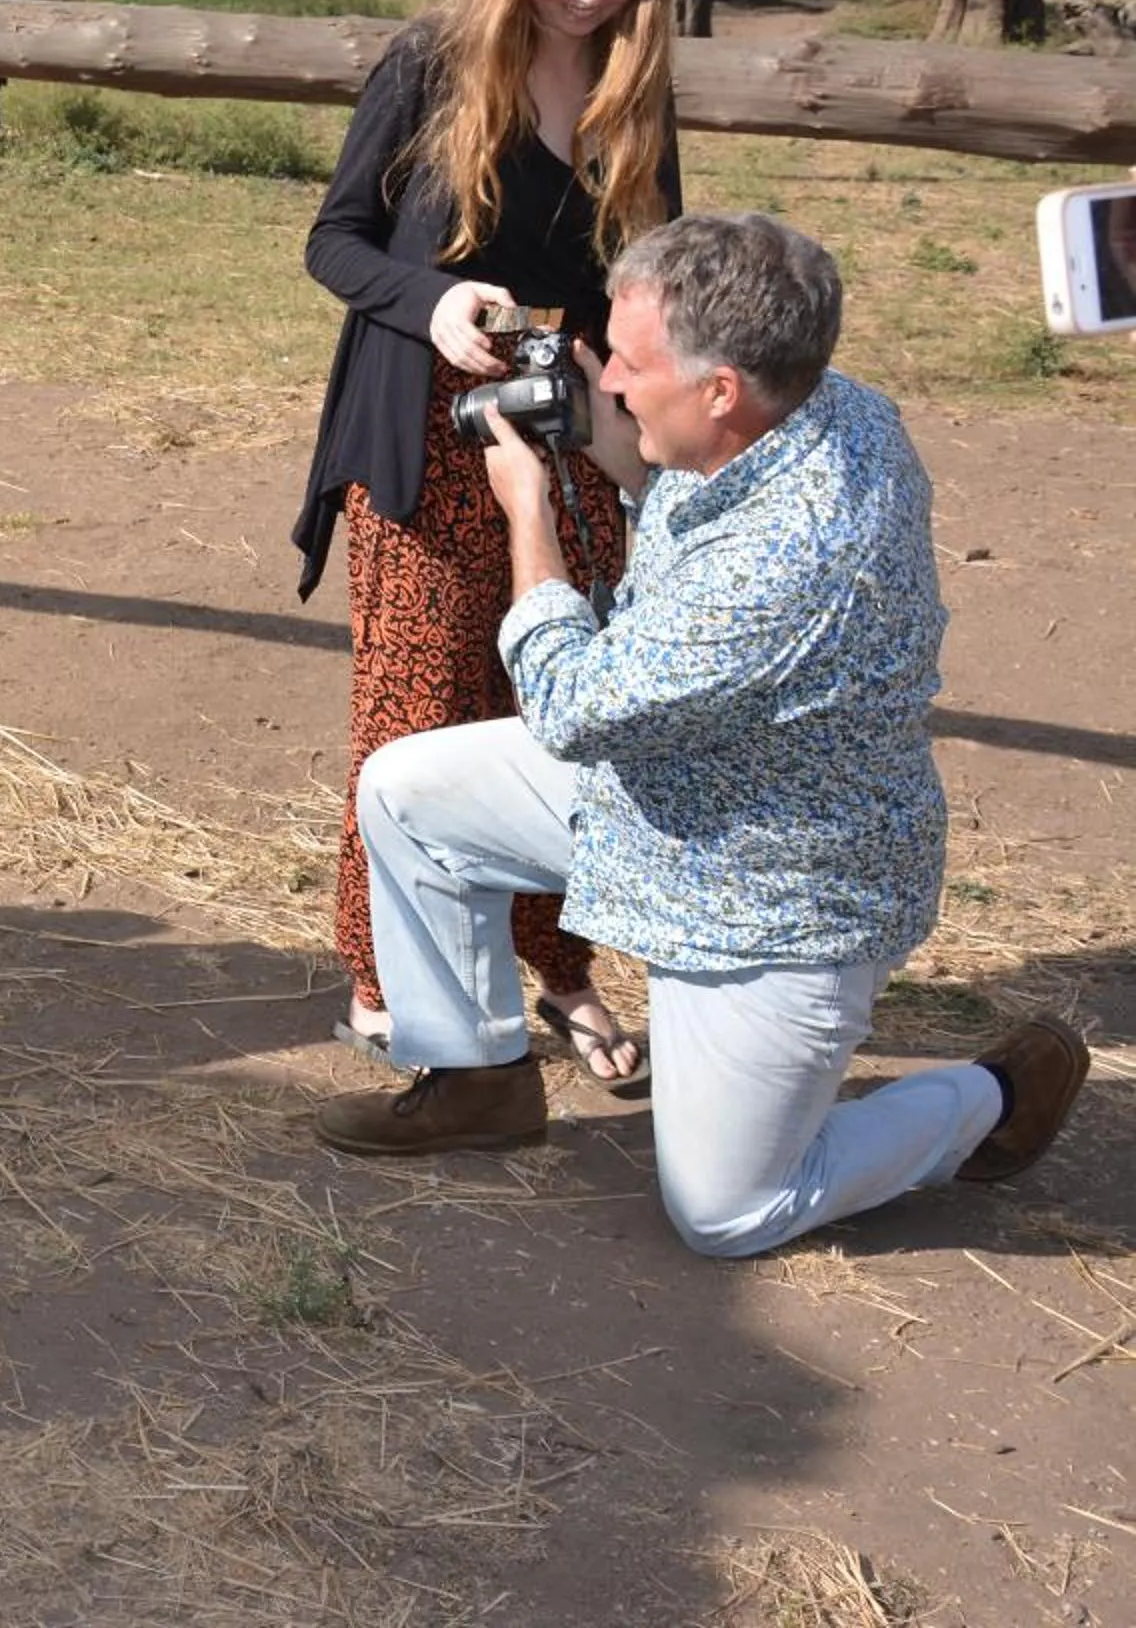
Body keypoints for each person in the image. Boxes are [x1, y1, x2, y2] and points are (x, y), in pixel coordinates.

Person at [313, 212, 1090, 1258]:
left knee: (726, 1211)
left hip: (770, 890)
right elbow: (688, 491)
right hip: (673, 791)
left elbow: (572, 706)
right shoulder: (823, 403)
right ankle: (477, 1079)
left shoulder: (794, 554)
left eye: (630, 367)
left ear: (721, 388)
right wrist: (604, 437)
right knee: (409, 789)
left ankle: (988, 1099)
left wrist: (528, 510)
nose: (610, 379)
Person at [294, 0, 685, 1093]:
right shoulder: (432, 60)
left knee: (562, 713)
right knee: (415, 713)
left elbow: (651, 278)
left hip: (574, 433)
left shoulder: (636, 86)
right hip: (424, 430)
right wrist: (433, 302)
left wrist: (639, 425)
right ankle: (384, 981)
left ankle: (558, 964)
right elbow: (335, 242)